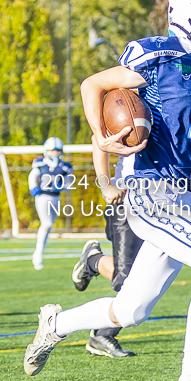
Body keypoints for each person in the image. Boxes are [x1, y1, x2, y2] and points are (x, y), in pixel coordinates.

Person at [23, 0, 191, 381]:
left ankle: (56, 323)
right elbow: (92, 85)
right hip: (151, 189)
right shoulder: (160, 57)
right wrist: (102, 137)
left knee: (130, 309)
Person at [70, 147, 140, 358]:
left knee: (146, 278)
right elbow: (99, 140)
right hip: (127, 202)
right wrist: (105, 185)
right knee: (130, 283)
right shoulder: (135, 112)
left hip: (163, 204)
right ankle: (101, 334)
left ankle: (94, 261)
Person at [28, 137, 73, 270]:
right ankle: (38, 254)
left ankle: (39, 251)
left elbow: (69, 183)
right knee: (46, 224)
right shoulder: (40, 164)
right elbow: (32, 176)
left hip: (55, 198)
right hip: (42, 196)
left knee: (49, 225)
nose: (54, 153)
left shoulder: (65, 167)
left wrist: (62, 186)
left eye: (57, 151)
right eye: (52, 151)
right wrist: (32, 187)